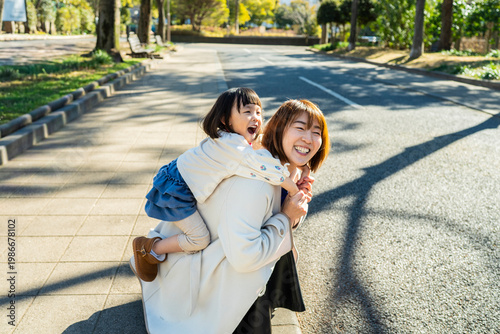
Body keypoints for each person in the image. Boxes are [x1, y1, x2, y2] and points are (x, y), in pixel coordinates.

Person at [129, 98, 330, 333]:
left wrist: (294, 207)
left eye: (316, 132)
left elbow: (286, 218)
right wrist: (286, 216)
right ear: (279, 128)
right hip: (201, 274)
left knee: (281, 251)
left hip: (220, 251)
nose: (308, 138)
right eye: (300, 127)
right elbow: (244, 257)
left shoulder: (285, 169)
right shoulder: (256, 181)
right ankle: (151, 250)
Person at [131, 88, 307, 282]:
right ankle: (149, 249)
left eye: (258, 112)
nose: (256, 117)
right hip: (176, 190)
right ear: (225, 120)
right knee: (199, 239)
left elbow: (262, 144)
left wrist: (299, 167)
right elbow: (265, 169)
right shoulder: (233, 147)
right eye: (247, 112)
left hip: (178, 178)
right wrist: (293, 189)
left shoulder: (231, 137)